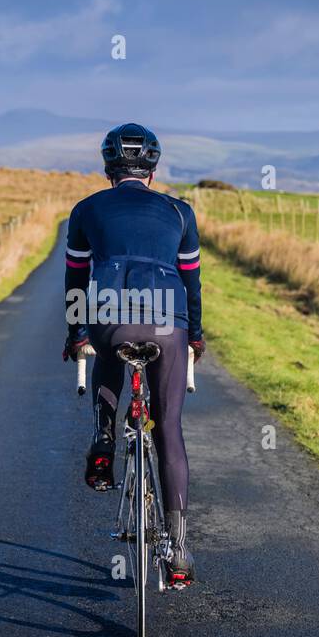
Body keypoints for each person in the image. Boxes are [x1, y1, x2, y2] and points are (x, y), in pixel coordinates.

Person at [61, 123, 205, 585]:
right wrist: (195, 337)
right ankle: (179, 552)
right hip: (168, 324)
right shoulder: (180, 212)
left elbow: (76, 281)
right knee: (170, 429)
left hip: (108, 316)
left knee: (106, 349)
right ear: (153, 169)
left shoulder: (85, 209)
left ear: (108, 167)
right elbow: (192, 283)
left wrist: (75, 333)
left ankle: (104, 442)